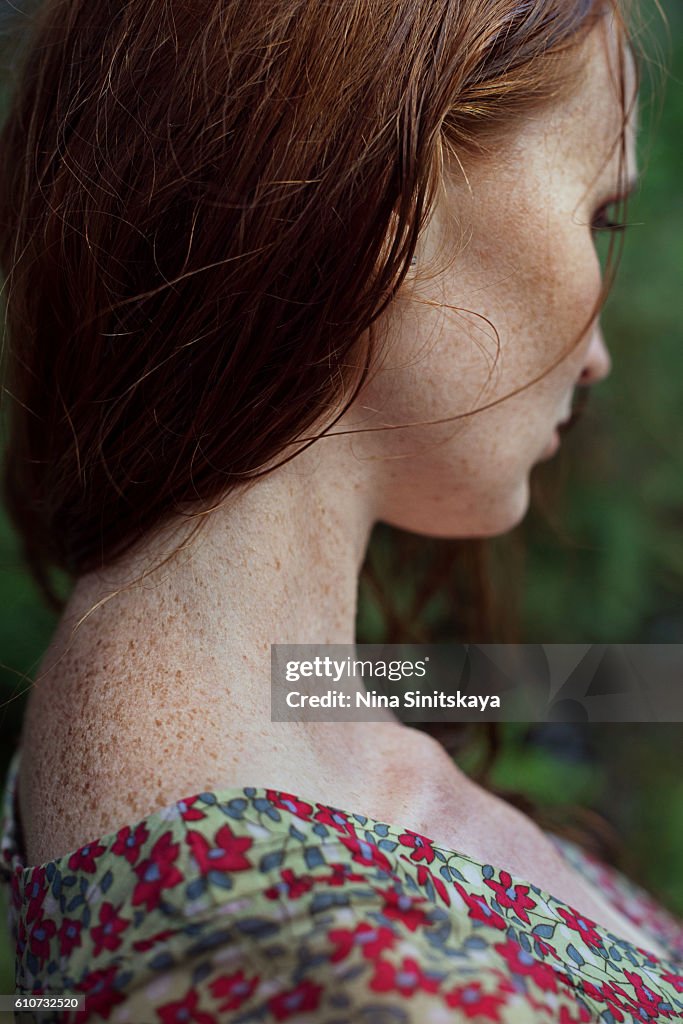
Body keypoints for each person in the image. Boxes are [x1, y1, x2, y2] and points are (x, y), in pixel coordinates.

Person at [0, 0, 681, 1020]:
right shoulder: (313, 969)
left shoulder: (268, 743)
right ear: (382, 202)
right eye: (596, 216)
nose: (595, 356)